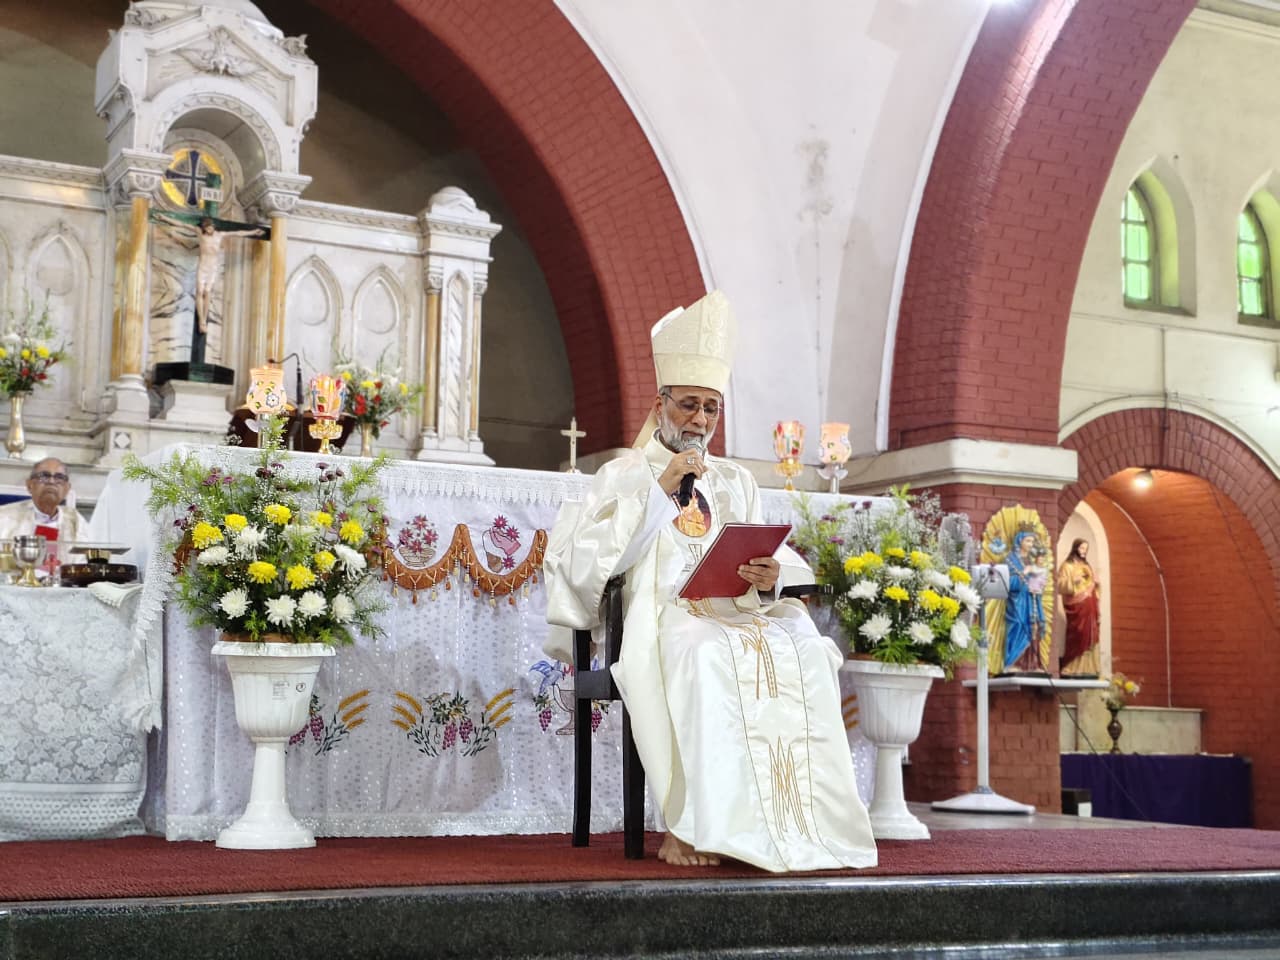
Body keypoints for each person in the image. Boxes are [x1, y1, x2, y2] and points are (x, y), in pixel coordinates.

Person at [543, 290, 877, 873]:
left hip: (736, 609)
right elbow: (591, 566)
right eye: (689, 406)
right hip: (663, 618)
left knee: (807, 644)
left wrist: (772, 574)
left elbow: (773, 551)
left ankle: (798, 823)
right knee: (704, 654)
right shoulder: (623, 475)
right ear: (660, 406)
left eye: (711, 409)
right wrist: (660, 491)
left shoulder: (734, 481)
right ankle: (692, 825)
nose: (700, 421)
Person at [154, 213, 266, 356]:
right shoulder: (199, 234)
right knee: (199, 292)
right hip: (203, 267)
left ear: (213, 227)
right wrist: (164, 218)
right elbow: (181, 224)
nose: (209, 230)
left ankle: (204, 320)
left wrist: (253, 232)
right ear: (204, 228)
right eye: (206, 228)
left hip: (212, 268)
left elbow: (238, 233)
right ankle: (202, 319)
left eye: (211, 227)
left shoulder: (220, 235)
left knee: (208, 293)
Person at [0, 458, 88, 570]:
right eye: (44, 476)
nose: (51, 481)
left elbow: (83, 564)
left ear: (67, 489)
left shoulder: (76, 521)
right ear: (29, 485)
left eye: (59, 477)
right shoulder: (4, 516)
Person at [1001, 529, 1047, 674]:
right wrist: (1023, 574)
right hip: (1017, 602)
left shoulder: (1032, 561)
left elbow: (1039, 580)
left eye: (1032, 541)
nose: (1030, 544)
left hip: (1032, 600)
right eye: (1028, 541)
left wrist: (1039, 586)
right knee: (1018, 626)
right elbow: (1007, 582)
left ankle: (1032, 664)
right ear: (1019, 541)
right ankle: (1013, 662)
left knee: (1034, 627)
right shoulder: (1011, 560)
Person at [1056, 538, 1101, 677]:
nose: (1084, 551)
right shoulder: (1067, 566)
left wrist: (1096, 584)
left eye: (1086, 549)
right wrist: (1072, 581)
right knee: (1078, 632)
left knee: (1091, 634)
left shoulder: (1087, 566)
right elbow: (1059, 585)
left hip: (1090, 605)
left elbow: (1093, 584)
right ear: (1075, 548)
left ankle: (1089, 667)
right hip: (1076, 607)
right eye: (1081, 548)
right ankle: (1072, 666)